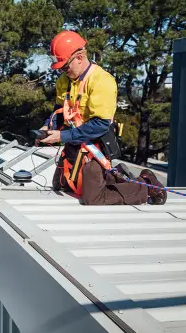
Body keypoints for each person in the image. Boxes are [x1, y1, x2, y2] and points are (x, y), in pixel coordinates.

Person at [38, 31, 166, 206]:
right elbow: (59, 109)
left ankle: (146, 184)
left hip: (95, 149)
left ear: (80, 57)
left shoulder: (102, 81)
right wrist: (47, 127)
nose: (63, 71)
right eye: (60, 68)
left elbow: (100, 125)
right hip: (74, 145)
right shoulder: (64, 81)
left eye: (65, 66)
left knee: (92, 198)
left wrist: (62, 136)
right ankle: (116, 175)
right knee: (61, 185)